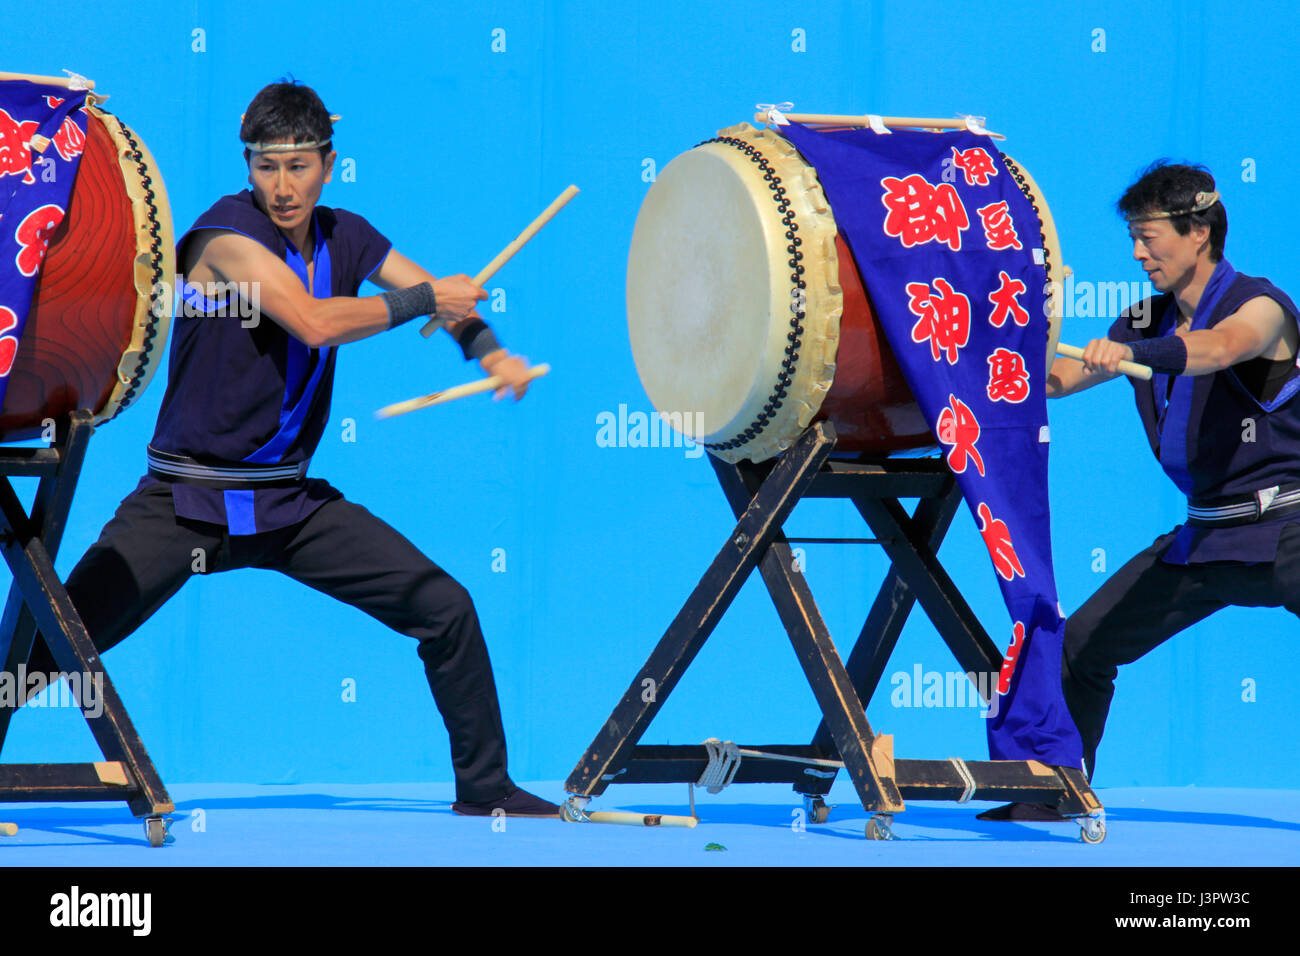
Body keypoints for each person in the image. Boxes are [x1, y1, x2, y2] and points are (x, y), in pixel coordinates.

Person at [24, 80, 558, 818]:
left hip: (286, 504)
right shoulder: (223, 238)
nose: (282, 186)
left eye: (299, 165)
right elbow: (313, 321)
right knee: (48, 645)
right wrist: (429, 302)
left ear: (328, 164)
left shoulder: (348, 235)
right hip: (189, 501)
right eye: (266, 165)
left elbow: (438, 292)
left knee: (446, 607)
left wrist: (490, 351)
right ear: (248, 166)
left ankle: (486, 788)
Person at [980, 160, 1300, 822]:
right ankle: (1056, 791)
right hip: (1209, 537)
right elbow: (1057, 381)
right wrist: (989, 345)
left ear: (1199, 231)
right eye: (1133, 236)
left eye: (1149, 235)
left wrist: (1138, 354)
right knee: (1084, 644)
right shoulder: (1141, 320)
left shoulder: (1261, 307)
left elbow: (1217, 348)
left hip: (1292, 530)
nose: (1136, 252)